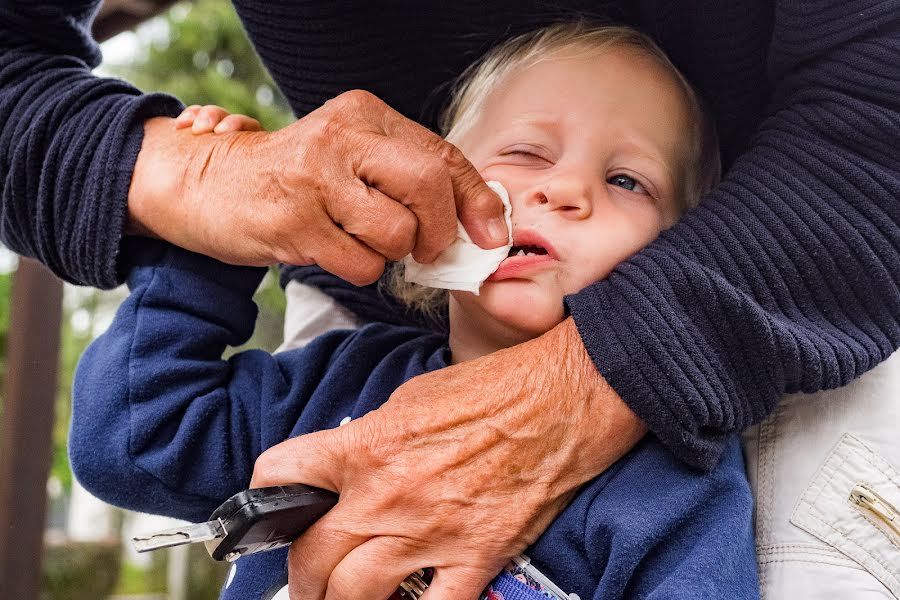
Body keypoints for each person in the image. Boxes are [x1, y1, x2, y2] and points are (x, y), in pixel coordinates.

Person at [3, 1, 899, 598]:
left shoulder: (676, 482)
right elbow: (133, 440)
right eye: (522, 155)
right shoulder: (326, 390)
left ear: (686, 244)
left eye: (627, 180)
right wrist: (210, 238)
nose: (564, 193)